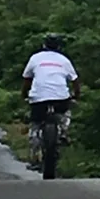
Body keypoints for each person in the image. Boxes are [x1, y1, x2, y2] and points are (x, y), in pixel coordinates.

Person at [21, 34, 80, 163]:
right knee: (66, 113)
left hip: (38, 99)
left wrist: (24, 95)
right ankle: (64, 132)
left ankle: (34, 154)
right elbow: (75, 81)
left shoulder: (35, 58)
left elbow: (27, 79)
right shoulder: (64, 60)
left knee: (35, 124)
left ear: (44, 45)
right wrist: (76, 96)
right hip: (60, 98)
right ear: (59, 46)